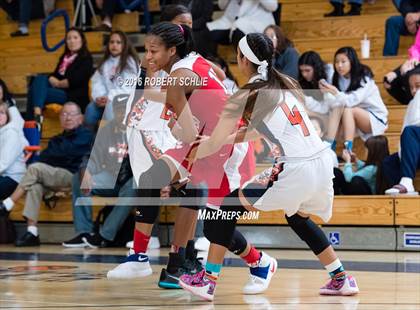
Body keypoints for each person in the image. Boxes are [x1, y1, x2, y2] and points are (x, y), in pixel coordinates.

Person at [178, 33, 359, 301]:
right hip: (321, 162)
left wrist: (186, 156)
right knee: (297, 216)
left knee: (224, 209)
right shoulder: (284, 82)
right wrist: (226, 138)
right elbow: (258, 131)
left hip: (296, 166)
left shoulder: (245, 93)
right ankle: (342, 278)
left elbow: (213, 144)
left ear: (242, 59)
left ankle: (208, 280)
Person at [106, 23, 258, 289]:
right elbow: (219, 73)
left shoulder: (178, 78)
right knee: (154, 179)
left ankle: (258, 261)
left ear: (172, 50)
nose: (147, 57)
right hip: (203, 138)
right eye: (146, 51)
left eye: (153, 51)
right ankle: (144, 258)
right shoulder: (192, 61)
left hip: (223, 146)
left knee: (214, 226)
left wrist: (176, 121)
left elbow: (186, 134)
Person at [0, 102, 93, 246]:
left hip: (73, 176)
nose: (67, 117)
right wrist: (58, 155)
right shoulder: (56, 139)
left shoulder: (86, 135)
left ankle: (8, 203)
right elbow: (46, 156)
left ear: (80, 118)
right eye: (64, 114)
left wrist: (56, 155)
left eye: (72, 114)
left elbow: (65, 153)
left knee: (35, 168)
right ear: (60, 119)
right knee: (35, 184)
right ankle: (32, 232)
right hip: (52, 176)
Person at [63, 95, 137, 248]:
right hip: (110, 180)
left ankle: (104, 235)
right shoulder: (106, 131)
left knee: (135, 186)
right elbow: (91, 156)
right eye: (118, 111)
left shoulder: (140, 130)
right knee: (78, 179)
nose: (121, 114)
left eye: (124, 110)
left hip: (131, 180)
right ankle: (84, 232)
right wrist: (86, 170)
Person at [319, 47, 388, 153]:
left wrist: (334, 92)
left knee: (347, 109)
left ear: (352, 61)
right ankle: (329, 147)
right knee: (337, 110)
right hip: (353, 118)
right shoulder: (338, 78)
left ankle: (348, 150)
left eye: (343, 61)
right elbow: (336, 103)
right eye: (337, 62)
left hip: (375, 118)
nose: (339, 65)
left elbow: (351, 101)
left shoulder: (364, 77)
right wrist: (328, 93)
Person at [26, 28, 93, 123]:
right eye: (69, 38)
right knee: (40, 78)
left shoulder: (86, 58)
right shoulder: (65, 57)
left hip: (73, 95)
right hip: (60, 91)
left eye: (75, 37)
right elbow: (55, 75)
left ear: (82, 40)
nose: (72, 41)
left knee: (34, 90)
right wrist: (51, 78)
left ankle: (31, 122)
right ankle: (37, 114)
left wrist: (58, 83)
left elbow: (74, 81)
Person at [85, 30, 140, 128]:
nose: (114, 45)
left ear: (125, 45)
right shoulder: (105, 63)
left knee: (110, 108)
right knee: (90, 109)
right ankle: (89, 140)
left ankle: (114, 141)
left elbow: (128, 85)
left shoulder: (130, 61)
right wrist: (99, 97)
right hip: (105, 100)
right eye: (112, 42)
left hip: (124, 100)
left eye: (118, 42)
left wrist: (110, 98)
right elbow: (97, 81)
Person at [384, 67, 420, 194]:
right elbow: (405, 132)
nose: (414, 91)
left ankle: (407, 180)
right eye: (411, 87)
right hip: (417, 149)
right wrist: (403, 155)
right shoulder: (412, 104)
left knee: (411, 131)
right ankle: (405, 191)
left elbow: (414, 126)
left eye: (418, 86)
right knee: (389, 162)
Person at [298, 51, 343, 148]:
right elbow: (318, 108)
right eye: (302, 71)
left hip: (336, 116)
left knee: (335, 109)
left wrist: (326, 93)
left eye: (307, 70)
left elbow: (335, 104)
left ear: (316, 68)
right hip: (321, 117)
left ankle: (329, 145)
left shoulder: (330, 75)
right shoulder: (302, 83)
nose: (304, 74)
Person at [206, 0, 278, 55]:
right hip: (229, 22)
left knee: (238, 29)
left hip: (255, 22)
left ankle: (244, 61)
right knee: (206, 32)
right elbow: (221, 6)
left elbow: (273, 6)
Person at [0, 101, 28, 203]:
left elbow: (3, 164)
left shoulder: (11, 133)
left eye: (2, 113)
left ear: (7, 116)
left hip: (13, 178)